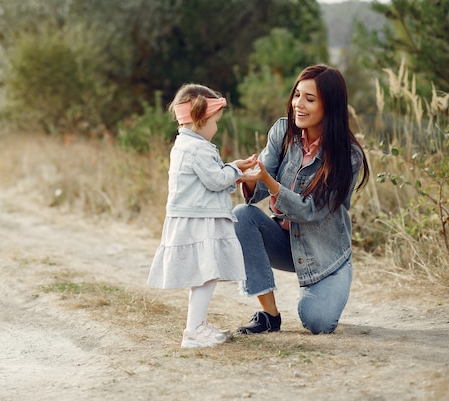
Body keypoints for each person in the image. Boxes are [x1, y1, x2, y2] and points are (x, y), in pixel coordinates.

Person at [233, 64, 370, 335]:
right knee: (241, 216)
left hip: (324, 255)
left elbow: (312, 211)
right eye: (297, 95)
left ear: (329, 106)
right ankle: (269, 316)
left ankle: (327, 287)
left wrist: (268, 181)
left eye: (309, 99)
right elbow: (259, 188)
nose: (298, 104)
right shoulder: (283, 132)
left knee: (317, 323)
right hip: (285, 243)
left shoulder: (348, 155)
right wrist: (246, 175)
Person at [147, 83, 255, 348]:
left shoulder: (185, 144)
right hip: (199, 220)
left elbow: (210, 177)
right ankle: (193, 330)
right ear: (199, 121)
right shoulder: (197, 148)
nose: (216, 128)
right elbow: (217, 180)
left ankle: (198, 325)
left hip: (196, 216)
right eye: (215, 122)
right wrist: (235, 170)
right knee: (206, 274)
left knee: (205, 273)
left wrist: (234, 168)